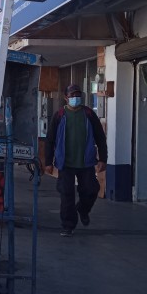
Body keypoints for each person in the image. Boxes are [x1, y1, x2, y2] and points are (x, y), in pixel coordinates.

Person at [44, 84, 107, 237]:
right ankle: (68, 225)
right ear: (66, 97)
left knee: (91, 189)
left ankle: (83, 209)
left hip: (86, 161)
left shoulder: (89, 114)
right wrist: (48, 162)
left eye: (77, 95)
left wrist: (103, 158)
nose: (75, 98)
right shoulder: (59, 115)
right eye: (72, 95)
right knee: (67, 194)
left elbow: (100, 137)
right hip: (65, 162)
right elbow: (50, 139)